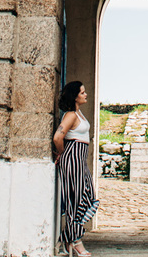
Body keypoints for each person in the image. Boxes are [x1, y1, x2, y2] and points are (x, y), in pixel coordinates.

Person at [54, 80, 99, 257]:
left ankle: (68, 237)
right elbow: (58, 137)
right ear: (74, 96)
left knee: (88, 197)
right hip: (72, 158)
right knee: (76, 200)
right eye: (82, 92)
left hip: (80, 160)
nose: (85, 94)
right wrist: (61, 154)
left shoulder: (78, 114)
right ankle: (76, 242)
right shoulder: (70, 115)